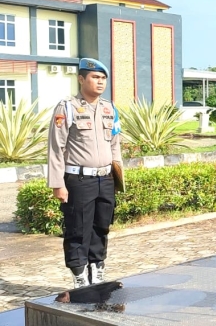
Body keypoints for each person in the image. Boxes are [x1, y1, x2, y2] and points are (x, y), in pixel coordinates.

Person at [47, 58, 122, 288]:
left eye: (103, 78)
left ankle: (97, 272)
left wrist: (117, 178)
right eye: (95, 77)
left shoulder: (110, 108)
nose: (100, 82)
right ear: (81, 79)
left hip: (105, 179)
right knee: (78, 229)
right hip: (79, 180)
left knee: (101, 227)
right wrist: (57, 184)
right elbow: (56, 147)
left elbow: (115, 144)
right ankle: (80, 277)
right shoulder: (67, 107)